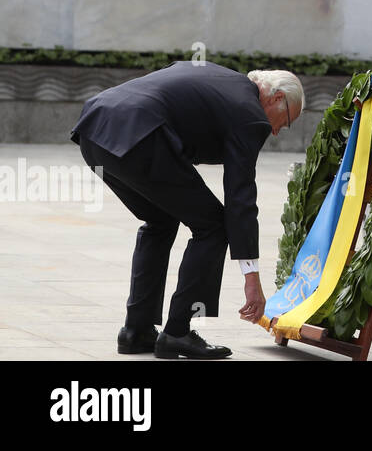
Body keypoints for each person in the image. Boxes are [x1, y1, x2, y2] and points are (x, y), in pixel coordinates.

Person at [71, 63, 304, 359]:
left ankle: (137, 331)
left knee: (160, 219)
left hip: (95, 128)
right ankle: (177, 331)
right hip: (141, 135)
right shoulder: (250, 114)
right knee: (214, 227)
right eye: (283, 122)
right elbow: (240, 198)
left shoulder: (223, 82)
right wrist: (252, 278)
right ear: (276, 98)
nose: (274, 132)